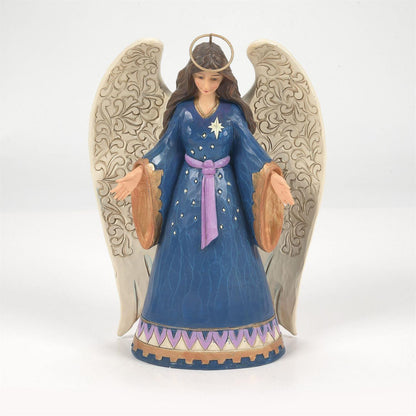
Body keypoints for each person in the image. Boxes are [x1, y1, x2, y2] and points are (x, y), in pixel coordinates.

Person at [111, 38, 294, 369]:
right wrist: (138, 174)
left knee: (230, 255)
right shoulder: (183, 113)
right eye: (200, 77)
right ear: (190, 76)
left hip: (225, 197)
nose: (207, 84)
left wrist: (273, 177)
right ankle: (172, 331)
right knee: (183, 253)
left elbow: (251, 151)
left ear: (224, 79)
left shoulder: (232, 114)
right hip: (187, 198)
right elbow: (165, 150)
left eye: (214, 78)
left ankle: (242, 330)